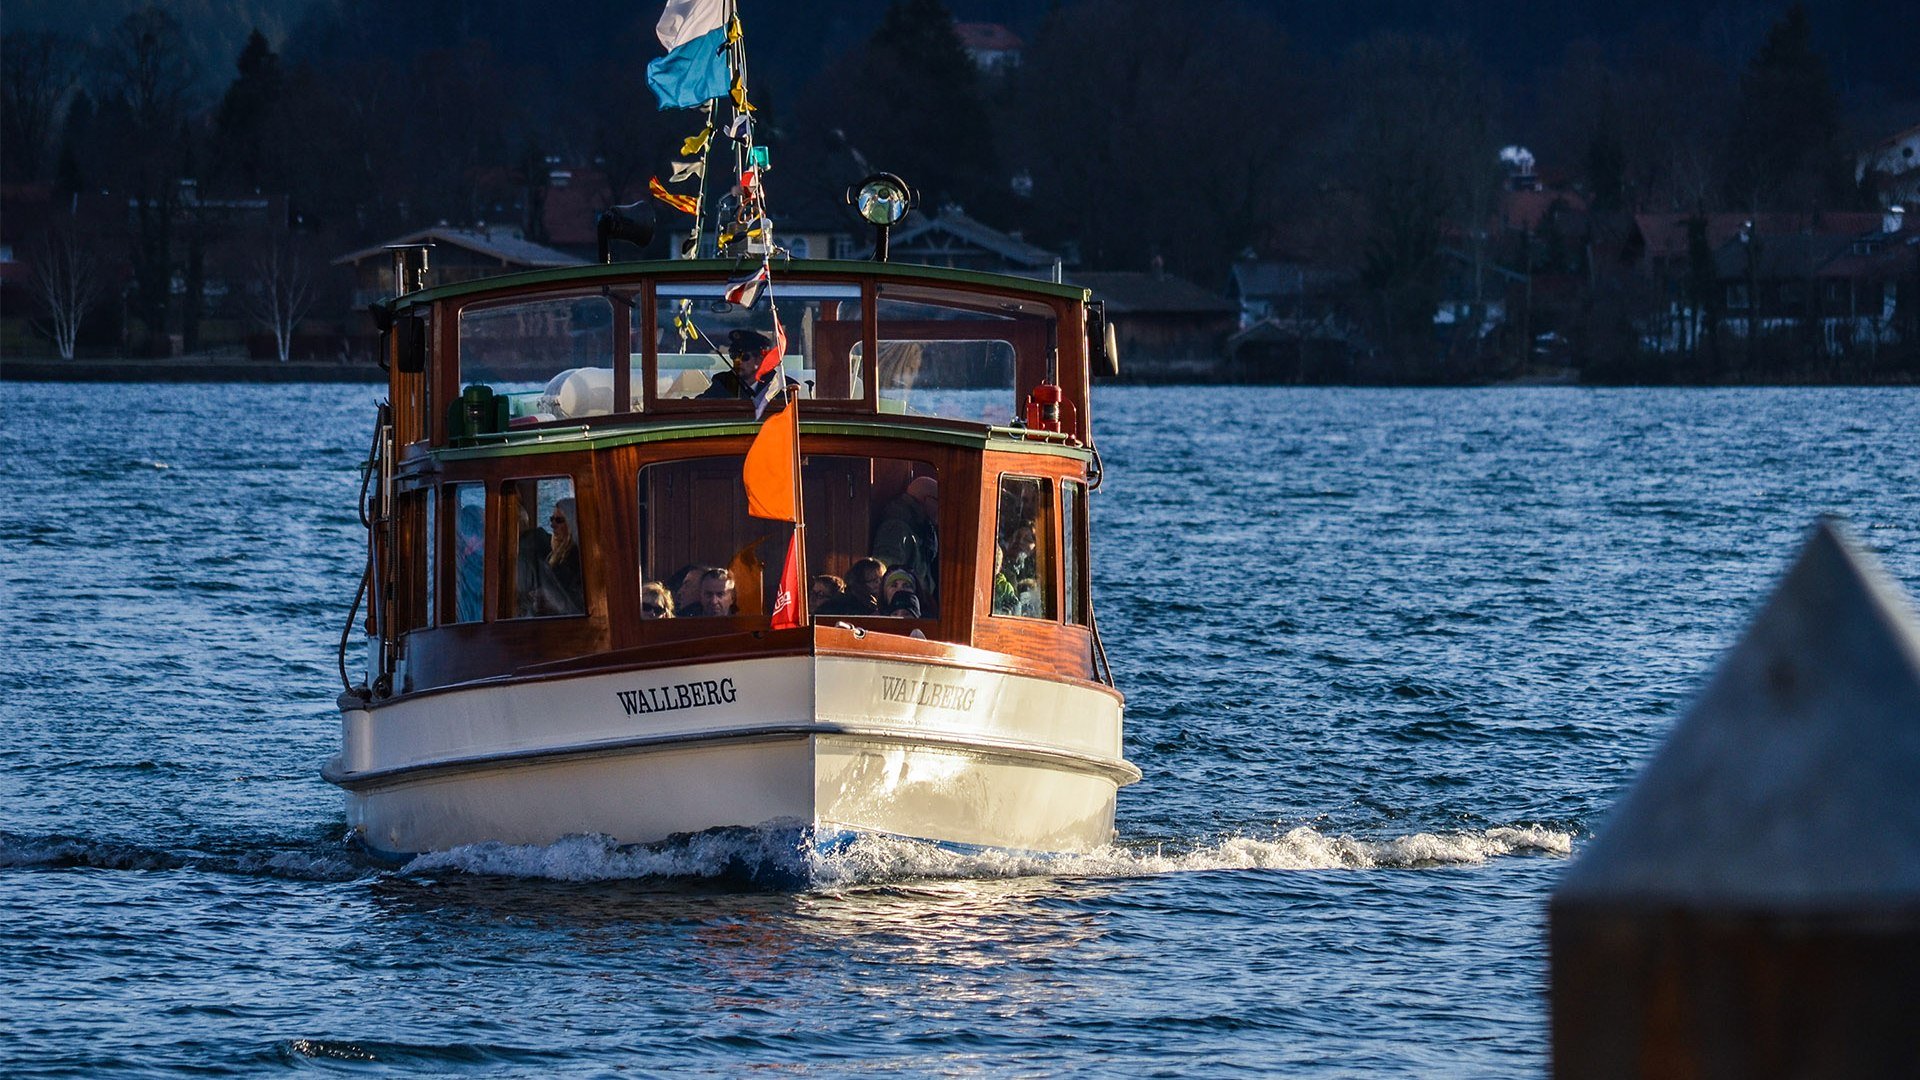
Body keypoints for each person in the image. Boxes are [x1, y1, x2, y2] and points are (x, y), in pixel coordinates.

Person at [872, 476, 937, 609]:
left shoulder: (922, 527)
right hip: (900, 607)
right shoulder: (896, 528)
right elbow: (885, 572)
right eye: (938, 502)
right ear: (928, 499)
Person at [697, 329, 797, 403]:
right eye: (734, 355)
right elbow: (700, 405)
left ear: (759, 359)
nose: (738, 361)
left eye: (744, 357)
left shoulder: (782, 386)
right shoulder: (723, 382)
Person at [547, 497, 584, 613]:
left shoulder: (574, 558)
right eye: (552, 519)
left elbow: (571, 600)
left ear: (572, 522)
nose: (552, 525)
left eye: (558, 520)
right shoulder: (555, 554)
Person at [819, 558, 885, 616]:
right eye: (873, 580)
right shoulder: (843, 605)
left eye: (881, 579)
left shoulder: (880, 603)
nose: (879, 583)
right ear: (859, 582)